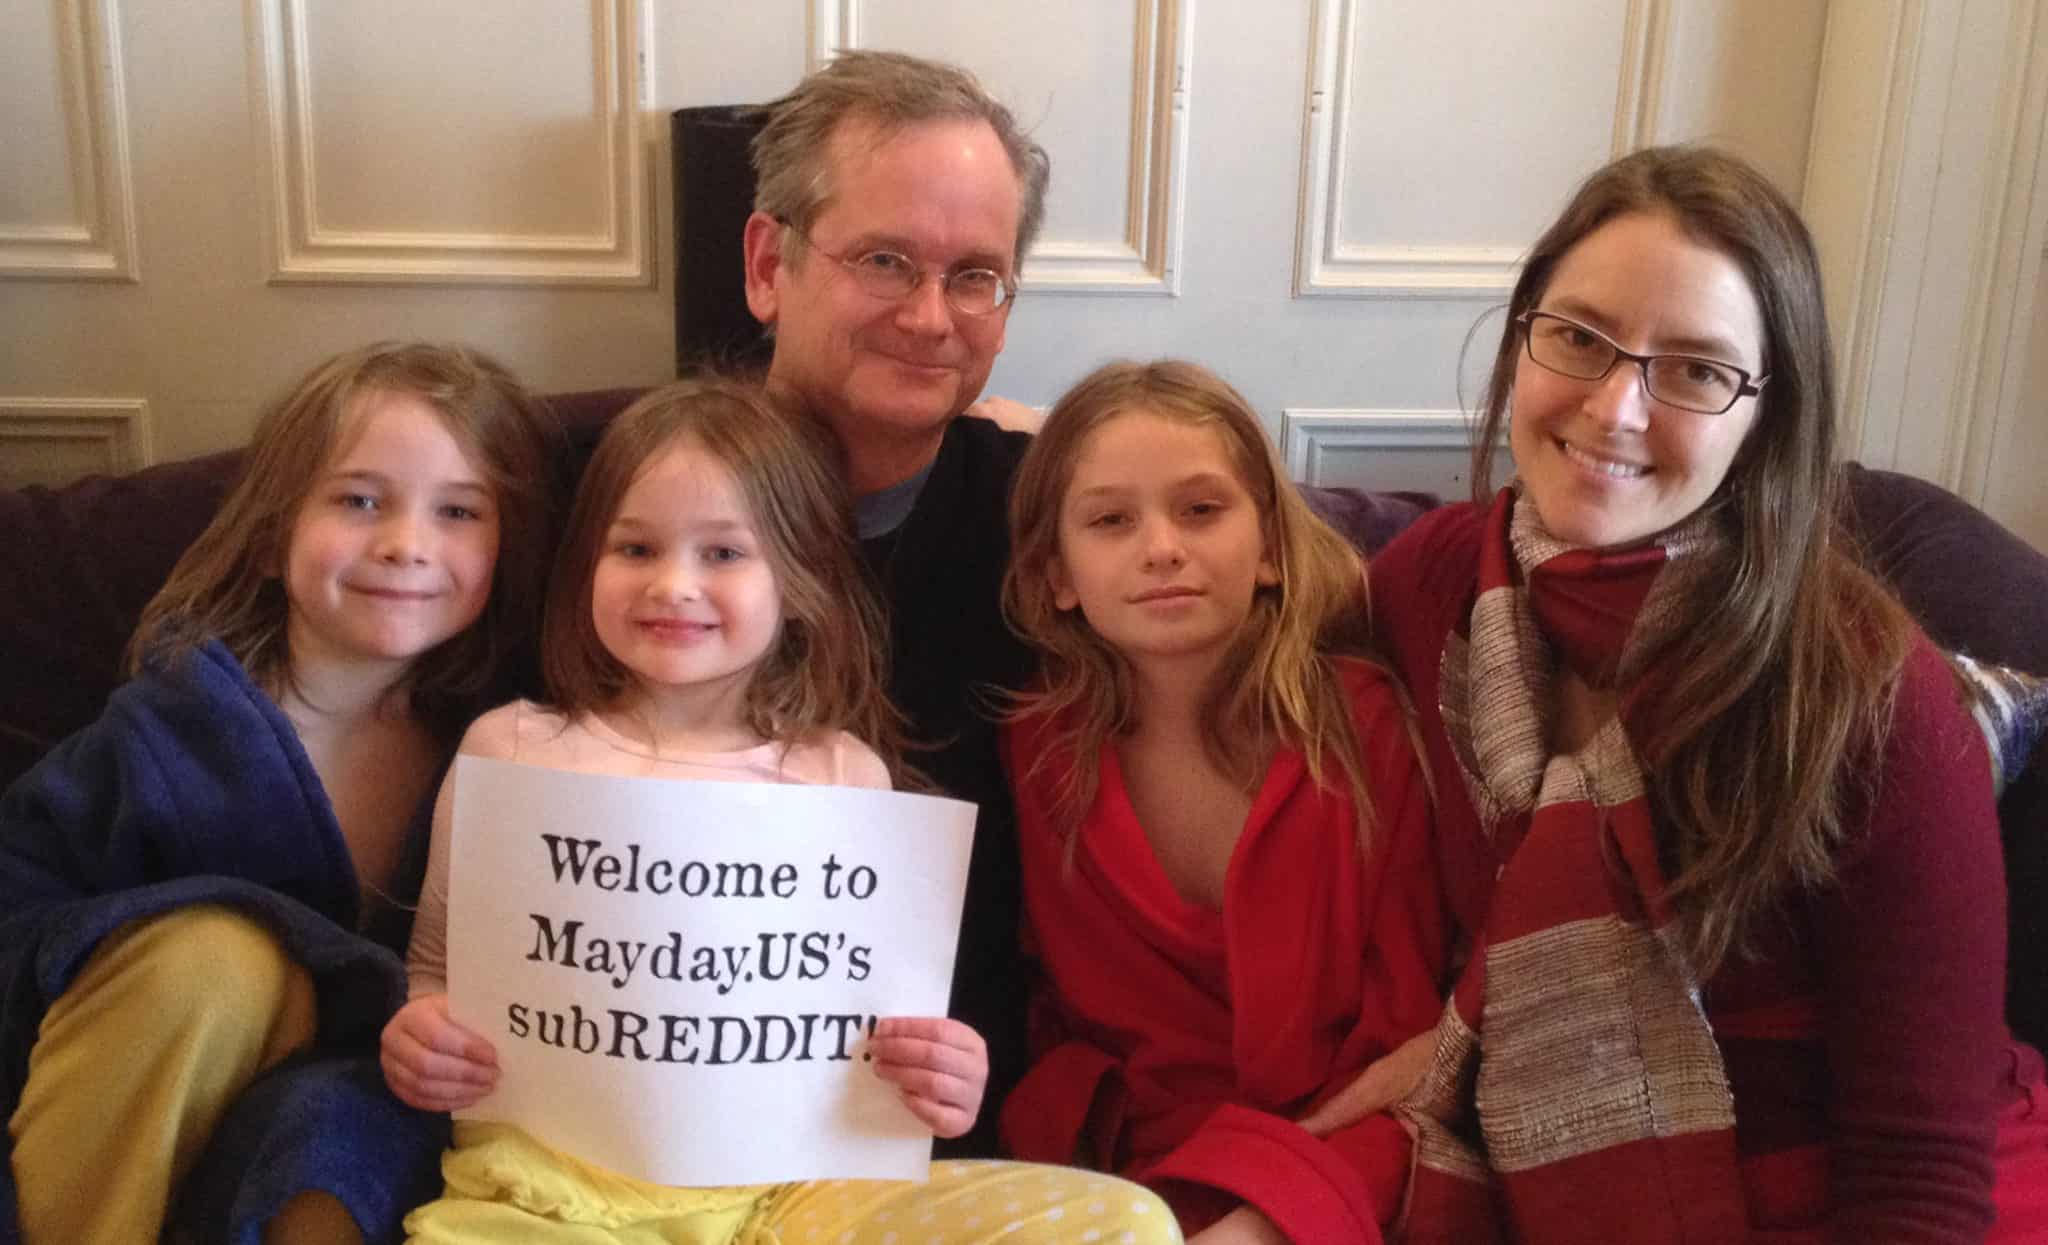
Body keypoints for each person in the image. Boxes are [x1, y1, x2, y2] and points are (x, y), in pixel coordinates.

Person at [1369, 144, 2048, 1242]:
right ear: (1521, 335)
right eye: (1578, 336)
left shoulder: (1867, 700)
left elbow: (1918, 1182)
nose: (1613, 409)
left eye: (1693, 371)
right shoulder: (1431, 589)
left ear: (1766, 417)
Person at [382, 377, 1178, 1244]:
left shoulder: (844, 777)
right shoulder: (510, 749)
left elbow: (886, 1035)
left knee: (1128, 1223)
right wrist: (420, 1033)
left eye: (724, 553)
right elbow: (435, 966)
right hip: (547, 1197)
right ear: (587, 568)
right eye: (636, 548)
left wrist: (946, 1073)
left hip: (799, 1199)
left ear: (798, 579)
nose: (673, 584)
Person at [0, 341, 560, 1243]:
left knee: (334, 1167)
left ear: (506, 550)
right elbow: (19, 909)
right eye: (359, 499)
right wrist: (237, 956)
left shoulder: (510, 747)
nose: (406, 543)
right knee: (218, 962)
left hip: (340, 1109)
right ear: (271, 536)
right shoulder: (169, 734)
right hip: (126, 1105)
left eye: (458, 511)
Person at [995, 360, 1448, 1244]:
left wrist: (1267, 1208)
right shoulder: (1038, 747)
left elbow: (1409, 1041)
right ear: (1057, 575)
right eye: (1111, 520)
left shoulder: (1366, 728)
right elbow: (1052, 1023)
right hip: (1117, 1173)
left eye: (1201, 509)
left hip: (1345, 1151)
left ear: (1271, 546)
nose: (1161, 547)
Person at [740, 48, 1053, 1158]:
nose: (931, 318)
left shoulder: (1057, 527)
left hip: (943, 1138)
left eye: (975, 276)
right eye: (885, 261)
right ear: (768, 266)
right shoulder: (619, 514)